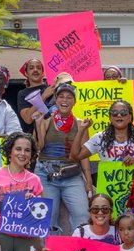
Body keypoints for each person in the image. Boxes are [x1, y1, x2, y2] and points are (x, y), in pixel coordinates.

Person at [34, 82, 91, 234]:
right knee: (46, 218)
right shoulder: (46, 119)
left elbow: (84, 156)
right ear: (56, 99)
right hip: (46, 175)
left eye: (69, 97)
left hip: (72, 175)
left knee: (82, 215)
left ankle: (80, 250)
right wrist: (38, 127)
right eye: (61, 96)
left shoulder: (81, 124)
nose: (65, 100)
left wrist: (89, 183)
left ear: (74, 101)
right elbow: (37, 148)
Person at [73, 99, 134, 164]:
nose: (119, 115)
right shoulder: (100, 138)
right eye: (114, 113)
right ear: (110, 118)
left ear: (130, 117)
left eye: (123, 112)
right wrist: (81, 130)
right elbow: (75, 156)